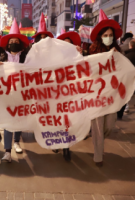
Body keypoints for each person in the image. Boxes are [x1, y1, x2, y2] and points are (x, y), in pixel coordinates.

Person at [89, 9, 123, 167]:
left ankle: (98, 139)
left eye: (110, 35)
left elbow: (125, 70)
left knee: (109, 125)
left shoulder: (119, 52)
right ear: (100, 37)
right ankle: (98, 156)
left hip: (112, 96)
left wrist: (134, 73)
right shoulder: (92, 52)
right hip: (96, 95)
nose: (108, 38)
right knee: (97, 125)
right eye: (105, 35)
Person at [0, 18, 31, 162]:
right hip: (7, 94)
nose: (14, 43)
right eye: (11, 41)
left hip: (21, 93)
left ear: (20, 43)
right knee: (7, 122)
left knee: (18, 120)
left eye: (16, 41)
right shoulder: (3, 56)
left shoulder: (26, 56)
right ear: (8, 43)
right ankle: (7, 151)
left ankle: (16, 142)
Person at [54, 28, 83, 161]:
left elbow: (84, 69)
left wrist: (80, 55)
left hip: (71, 94)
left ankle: (66, 147)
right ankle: (57, 141)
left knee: (68, 122)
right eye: (64, 44)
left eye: (69, 44)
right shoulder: (54, 58)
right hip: (55, 94)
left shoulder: (77, 57)